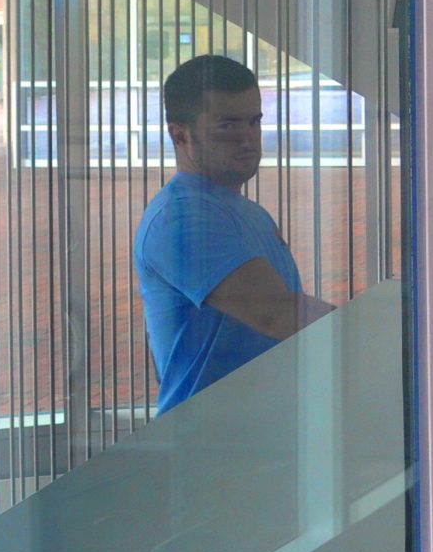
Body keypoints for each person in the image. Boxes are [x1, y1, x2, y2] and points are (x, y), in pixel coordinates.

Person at [135, 54, 332, 412]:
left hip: (255, 440)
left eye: (254, 121)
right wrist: (389, 334)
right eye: (227, 126)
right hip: (212, 449)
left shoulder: (247, 212)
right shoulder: (181, 218)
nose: (247, 139)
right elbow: (277, 314)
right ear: (179, 135)